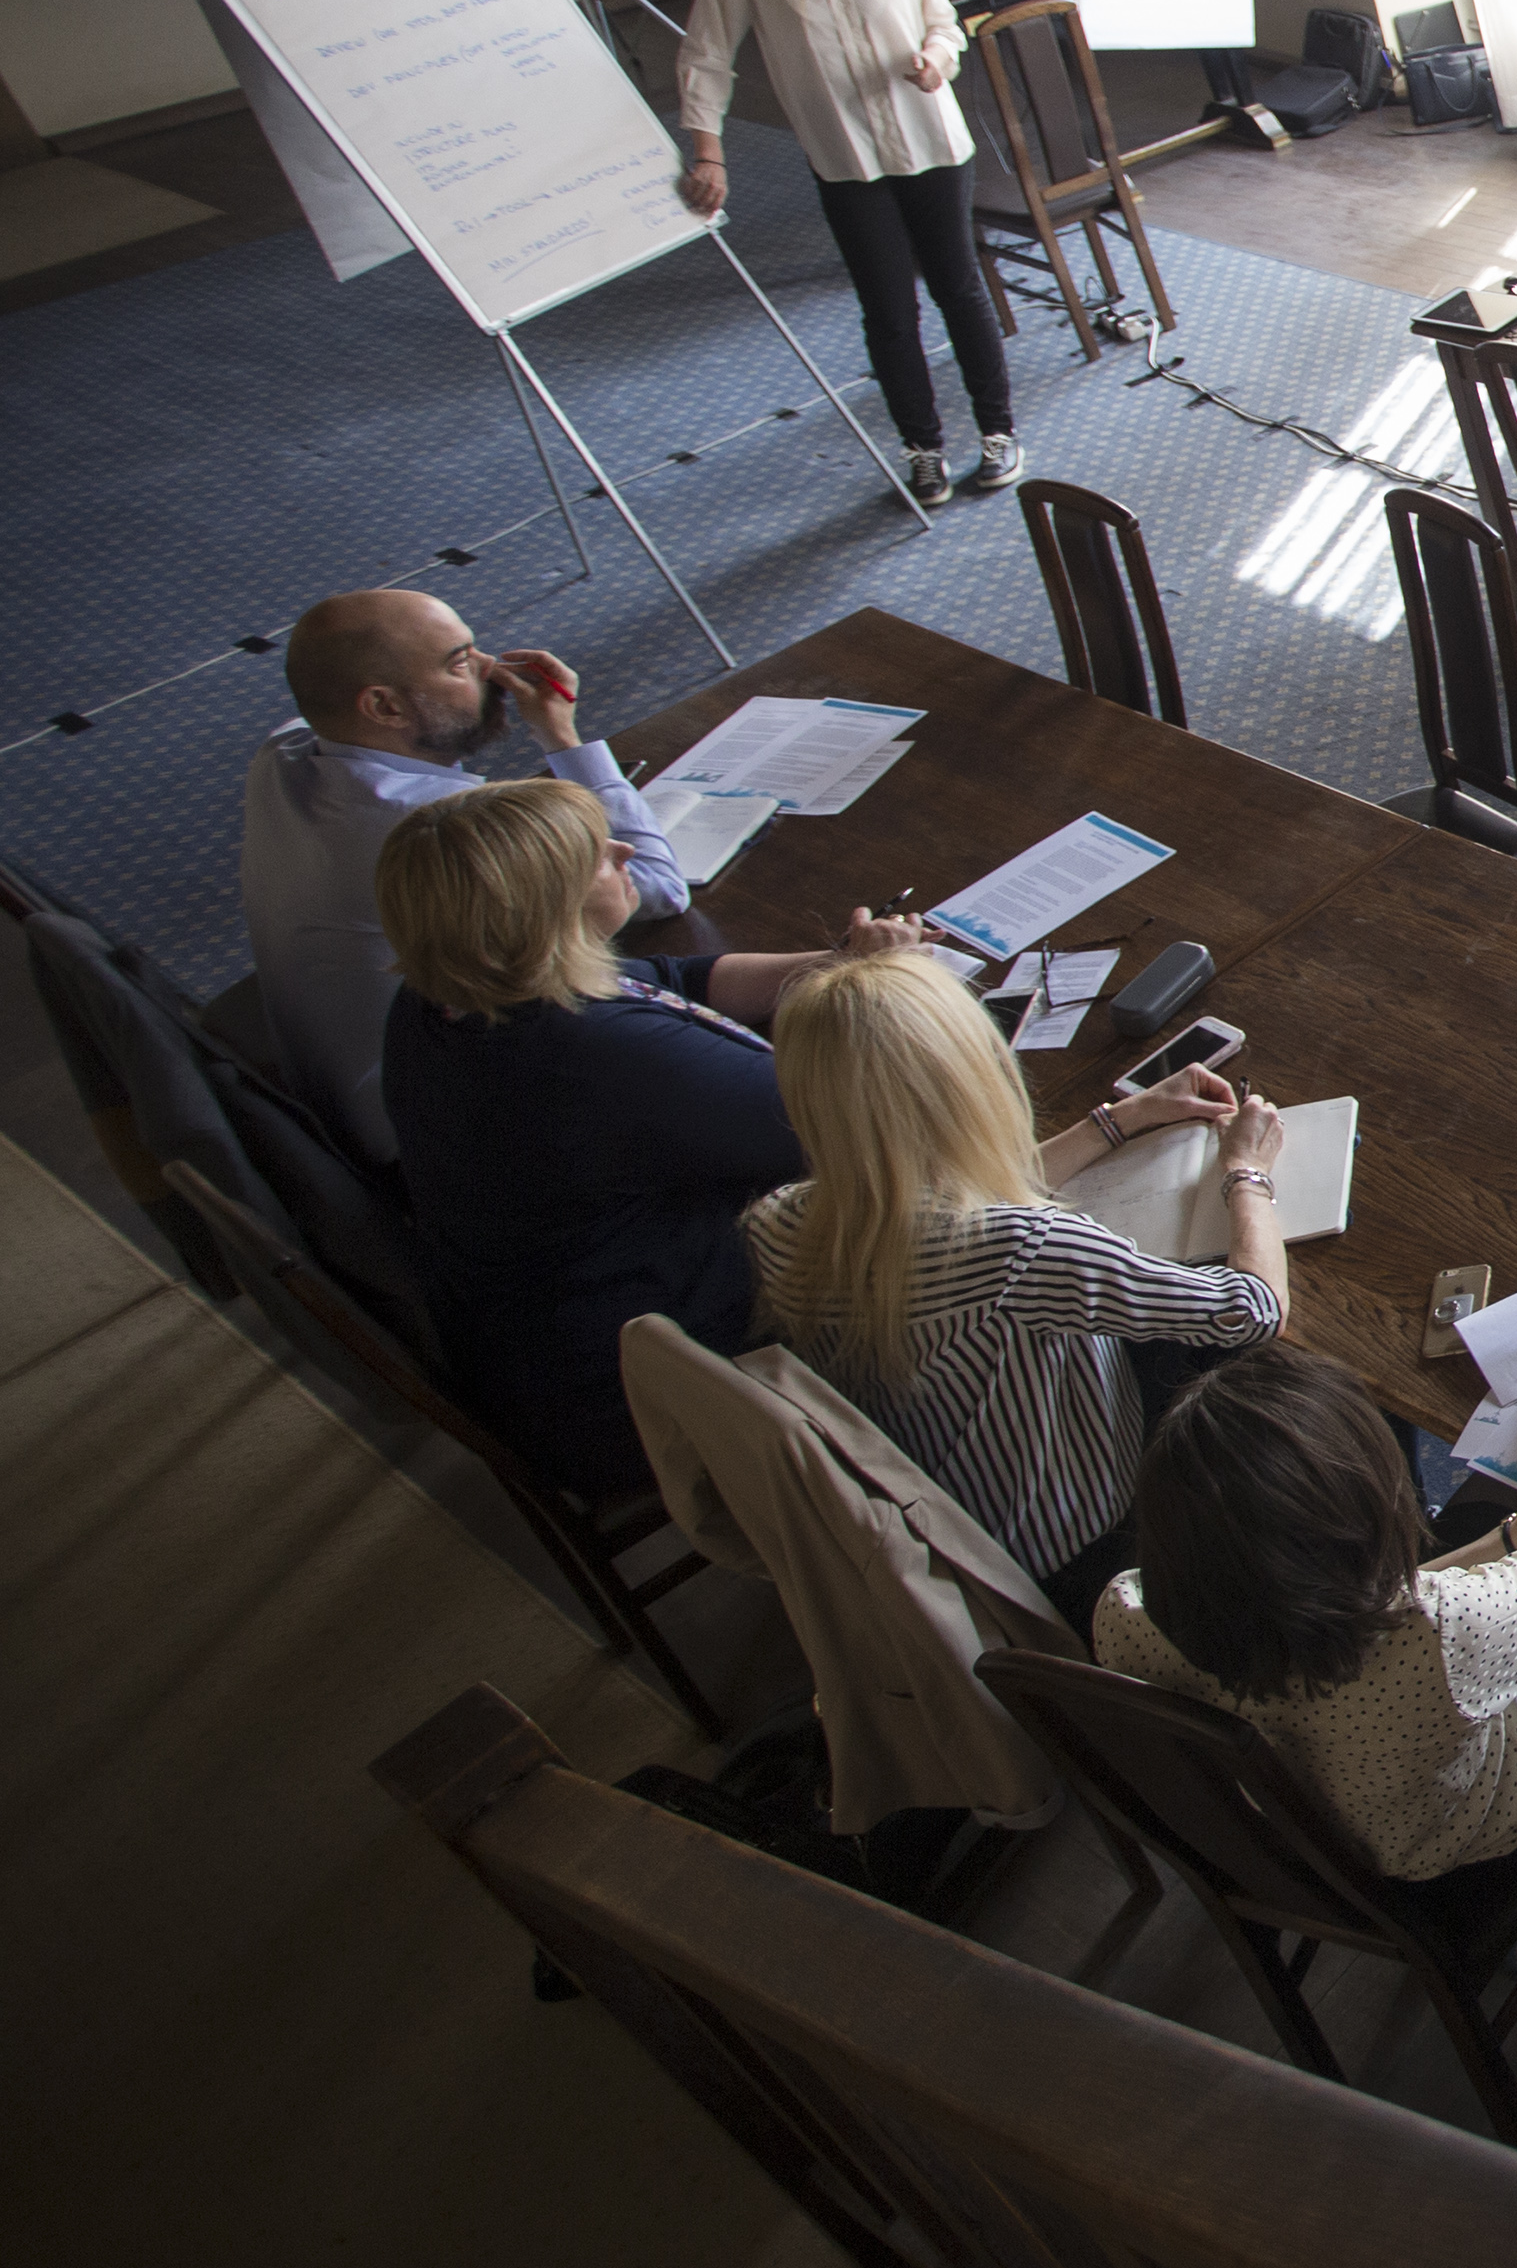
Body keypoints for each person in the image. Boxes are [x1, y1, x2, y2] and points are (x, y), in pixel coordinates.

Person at [372, 779, 915, 1498]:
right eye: (596, 856)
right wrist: (892, 989)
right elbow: (841, 1127)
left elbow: (673, 978)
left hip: (536, 1338)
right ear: (543, 911)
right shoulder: (590, 1058)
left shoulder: (449, 994)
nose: (626, 848)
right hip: (650, 1385)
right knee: (945, 1236)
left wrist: (838, 964)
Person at [745, 946, 1285, 1622]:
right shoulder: (1020, 1246)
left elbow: (950, 1193)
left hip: (962, 1521)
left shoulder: (781, 1221)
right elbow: (1253, 1311)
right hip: (1087, 1546)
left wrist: (1121, 1119)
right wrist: (1247, 1171)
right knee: (1284, 1366)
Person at [1096, 1328, 1517, 1880]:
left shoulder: (1125, 1612)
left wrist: (1504, 1543)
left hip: (1336, 1827)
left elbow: (1344, 1609)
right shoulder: (1445, 1631)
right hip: (1496, 1822)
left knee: (1486, 1520)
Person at [241, 588, 692, 1162]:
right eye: (460, 662)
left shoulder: (281, 754)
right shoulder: (434, 830)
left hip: (326, 1078)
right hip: (425, 1123)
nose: (491, 668)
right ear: (383, 708)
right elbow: (656, 887)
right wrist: (561, 735)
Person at [672, 0, 1031, 512]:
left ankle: (997, 432)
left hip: (931, 142)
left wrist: (935, 58)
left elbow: (941, 23)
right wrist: (707, 153)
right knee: (889, 309)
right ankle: (923, 450)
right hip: (846, 159)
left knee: (959, 288)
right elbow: (706, 58)